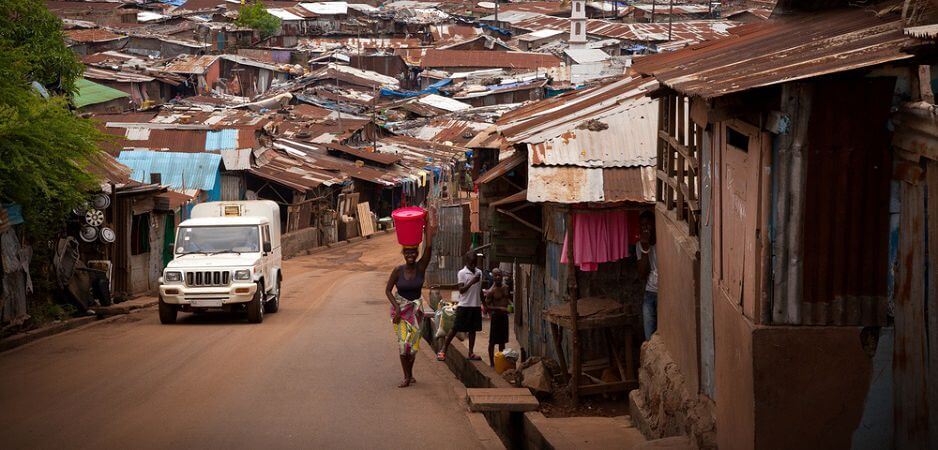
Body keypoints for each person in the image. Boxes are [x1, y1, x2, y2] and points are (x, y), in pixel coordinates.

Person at [385, 207, 436, 388]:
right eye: (407, 253)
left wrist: (428, 224)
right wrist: (397, 308)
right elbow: (388, 291)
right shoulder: (397, 271)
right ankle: (406, 377)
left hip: (416, 310)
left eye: (413, 253)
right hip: (400, 311)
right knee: (402, 344)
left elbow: (428, 247)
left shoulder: (421, 268)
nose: (411, 256)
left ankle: (411, 373)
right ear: (403, 254)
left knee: (413, 347)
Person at [437, 252, 483, 362]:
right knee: (455, 328)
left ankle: (471, 353)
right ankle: (443, 349)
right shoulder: (462, 273)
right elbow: (461, 290)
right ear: (466, 262)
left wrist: (484, 304)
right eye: (471, 263)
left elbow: (479, 289)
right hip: (464, 305)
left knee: (473, 330)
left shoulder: (479, 272)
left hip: (475, 305)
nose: (473, 266)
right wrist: (472, 281)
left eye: (474, 263)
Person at [636, 210, 658, 340]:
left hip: (663, 293)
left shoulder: (662, 241)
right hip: (650, 292)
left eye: (648, 225)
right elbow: (642, 274)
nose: (645, 229)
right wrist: (645, 249)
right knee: (649, 336)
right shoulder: (640, 245)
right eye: (642, 226)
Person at [483, 269, 510, 367]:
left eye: (499, 275)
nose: (498, 277)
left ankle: (501, 362)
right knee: (493, 341)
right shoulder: (491, 291)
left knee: (502, 341)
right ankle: (492, 363)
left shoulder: (506, 287)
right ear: (493, 277)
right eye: (496, 276)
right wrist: (499, 308)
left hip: (504, 317)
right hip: (496, 317)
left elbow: (507, 299)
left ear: (502, 276)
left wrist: (510, 305)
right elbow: (486, 307)